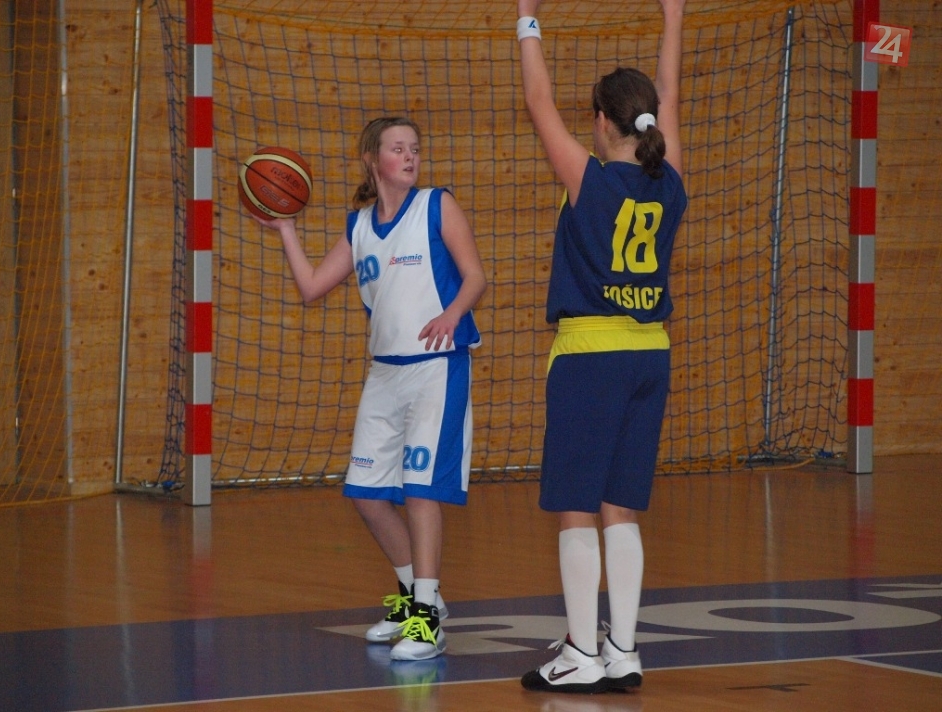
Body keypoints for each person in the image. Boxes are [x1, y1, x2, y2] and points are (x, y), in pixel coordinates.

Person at [254, 116, 487, 661]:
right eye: (397, 148)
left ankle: (427, 620)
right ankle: (414, 596)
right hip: (384, 374)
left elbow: (475, 276)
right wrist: (286, 229)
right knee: (366, 494)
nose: (409, 156)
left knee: (420, 490)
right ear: (371, 159)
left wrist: (453, 314)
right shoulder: (359, 227)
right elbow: (312, 287)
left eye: (415, 148)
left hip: (436, 367)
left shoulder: (436, 205)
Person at [515, 0, 687, 694]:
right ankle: (623, 649)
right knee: (622, 505)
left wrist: (526, 18)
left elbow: (537, 100)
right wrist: (673, 19)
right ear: (647, 123)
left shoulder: (586, 178)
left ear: (599, 121)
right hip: (651, 355)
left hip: (590, 356)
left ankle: (582, 652)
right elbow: (671, 93)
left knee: (577, 505)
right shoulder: (670, 179)